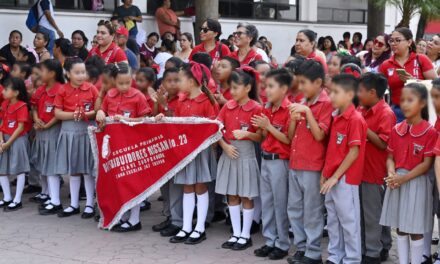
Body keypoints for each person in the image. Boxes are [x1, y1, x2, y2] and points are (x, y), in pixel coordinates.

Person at [380, 82, 437, 264]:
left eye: (410, 100)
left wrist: (403, 178)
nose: (404, 104)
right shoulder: (397, 129)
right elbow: (390, 156)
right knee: (401, 228)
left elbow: (426, 164)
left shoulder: (430, 132)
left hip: (415, 182)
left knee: (415, 228)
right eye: (402, 100)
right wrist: (391, 172)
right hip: (396, 182)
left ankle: (417, 261)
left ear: (421, 103)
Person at [163, 62, 218, 245]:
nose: (178, 82)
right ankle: (186, 226)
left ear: (193, 82)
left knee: (200, 187)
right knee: (187, 186)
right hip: (185, 150)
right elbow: (177, 124)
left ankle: (199, 227)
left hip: (200, 151)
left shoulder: (208, 102)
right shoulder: (181, 101)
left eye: (181, 79)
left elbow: (212, 129)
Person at [285, 60, 332, 264]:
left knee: (312, 210)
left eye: (304, 82)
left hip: (313, 165)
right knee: (294, 208)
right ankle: (301, 248)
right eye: (299, 82)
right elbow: (290, 135)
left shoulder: (326, 103)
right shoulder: (302, 101)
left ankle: (313, 253)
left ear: (318, 82)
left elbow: (320, 135)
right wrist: (295, 119)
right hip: (295, 162)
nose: (301, 87)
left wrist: (308, 113)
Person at [96, 63, 151, 232]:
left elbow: (145, 119)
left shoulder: (138, 96)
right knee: (118, 182)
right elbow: (102, 113)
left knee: (132, 182)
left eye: (128, 83)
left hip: (131, 145)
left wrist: (126, 121)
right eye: (121, 83)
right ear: (114, 81)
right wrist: (100, 113)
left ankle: (135, 220)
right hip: (114, 145)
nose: (124, 87)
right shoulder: (110, 95)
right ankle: (123, 215)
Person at [321, 74, 367, 264]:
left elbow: (353, 152)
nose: (331, 96)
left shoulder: (355, 119)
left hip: (346, 178)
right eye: (330, 92)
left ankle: (352, 258)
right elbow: (331, 149)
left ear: (349, 94)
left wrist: (335, 177)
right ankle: (335, 255)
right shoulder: (336, 116)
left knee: (349, 221)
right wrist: (325, 174)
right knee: (333, 219)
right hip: (332, 176)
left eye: (336, 93)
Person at [215, 67, 262, 251]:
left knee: (246, 195)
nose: (232, 92)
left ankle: (245, 235)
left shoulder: (256, 107)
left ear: (248, 87)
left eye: (236, 88)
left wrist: (247, 134)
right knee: (232, 195)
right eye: (231, 88)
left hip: (246, 155)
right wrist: (225, 146)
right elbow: (216, 129)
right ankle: (235, 233)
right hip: (229, 153)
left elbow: (260, 136)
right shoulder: (227, 106)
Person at [251, 68, 292, 260]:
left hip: (280, 162)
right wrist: (264, 128)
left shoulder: (289, 110)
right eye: (266, 86)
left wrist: (267, 127)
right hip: (266, 159)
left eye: (271, 86)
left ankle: (282, 243)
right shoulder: (266, 108)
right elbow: (265, 136)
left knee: (280, 203)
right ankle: (270, 240)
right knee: (267, 202)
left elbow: (288, 140)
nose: (266, 90)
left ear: (284, 89)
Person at [356, 73, 396, 264]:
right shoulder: (362, 109)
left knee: (373, 214)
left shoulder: (385, 113)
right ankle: (380, 246)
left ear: (373, 92)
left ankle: (373, 252)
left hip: (375, 172)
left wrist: (362, 125)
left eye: (361, 91)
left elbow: (382, 143)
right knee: (370, 213)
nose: (358, 94)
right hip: (362, 170)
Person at [54, 57, 98, 219]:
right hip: (69, 132)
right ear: (68, 74)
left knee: (87, 170)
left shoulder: (92, 89)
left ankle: (89, 204)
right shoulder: (62, 90)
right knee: (74, 170)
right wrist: (73, 115)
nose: (81, 76)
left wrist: (86, 114)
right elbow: (57, 113)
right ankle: (73, 204)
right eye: (77, 72)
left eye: (83, 72)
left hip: (86, 132)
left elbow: (98, 110)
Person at [379, 27, 437, 122]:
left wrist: (413, 81)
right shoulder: (386, 64)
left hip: (421, 110)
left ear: (409, 42)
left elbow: (436, 85)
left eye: (398, 40)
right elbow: (380, 89)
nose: (393, 44)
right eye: (391, 40)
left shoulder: (421, 59)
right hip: (397, 111)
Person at [151, 67, 183, 237]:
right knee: (165, 185)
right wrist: (158, 102)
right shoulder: (163, 97)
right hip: (163, 147)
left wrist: (164, 105)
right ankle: (169, 216)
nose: (172, 84)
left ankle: (178, 221)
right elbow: (154, 116)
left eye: (176, 80)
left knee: (176, 186)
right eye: (169, 81)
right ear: (162, 82)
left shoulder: (181, 99)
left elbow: (175, 120)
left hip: (176, 148)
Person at [30, 59, 65, 214]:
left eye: (42, 71)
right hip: (41, 130)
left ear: (52, 74)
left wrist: (47, 125)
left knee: (51, 166)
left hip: (52, 131)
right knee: (44, 164)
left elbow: (59, 112)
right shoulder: (41, 89)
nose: (39, 75)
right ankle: (48, 195)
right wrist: (36, 119)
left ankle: (55, 201)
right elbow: (34, 106)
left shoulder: (60, 89)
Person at [0, 77, 32, 211]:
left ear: (16, 92)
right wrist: (1, 141)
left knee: (19, 169)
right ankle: (7, 197)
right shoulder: (5, 104)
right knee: (2, 170)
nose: (3, 92)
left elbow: (20, 127)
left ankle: (17, 199)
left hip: (17, 140)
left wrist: (8, 143)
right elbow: (1, 124)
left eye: (7, 89)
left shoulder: (22, 106)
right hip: (5, 140)